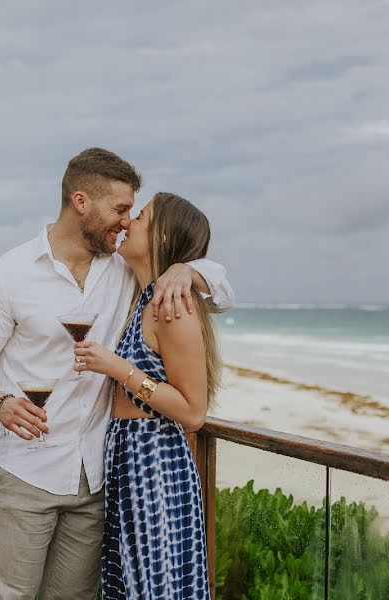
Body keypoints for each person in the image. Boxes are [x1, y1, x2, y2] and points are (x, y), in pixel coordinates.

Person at [0, 148, 233, 599]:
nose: (125, 222)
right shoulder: (9, 276)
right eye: (120, 209)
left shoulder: (122, 269)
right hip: (26, 472)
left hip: (99, 478)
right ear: (81, 201)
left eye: (132, 213)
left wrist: (188, 269)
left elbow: (218, 289)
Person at [74, 192, 219, 599]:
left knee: (152, 587)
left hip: (156, 464)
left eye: (140, 216)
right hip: (128, 458)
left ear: (163, 234)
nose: (127, 223)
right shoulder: (145, 297)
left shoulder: (172, 307)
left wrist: (117, 368)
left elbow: (193, 412)